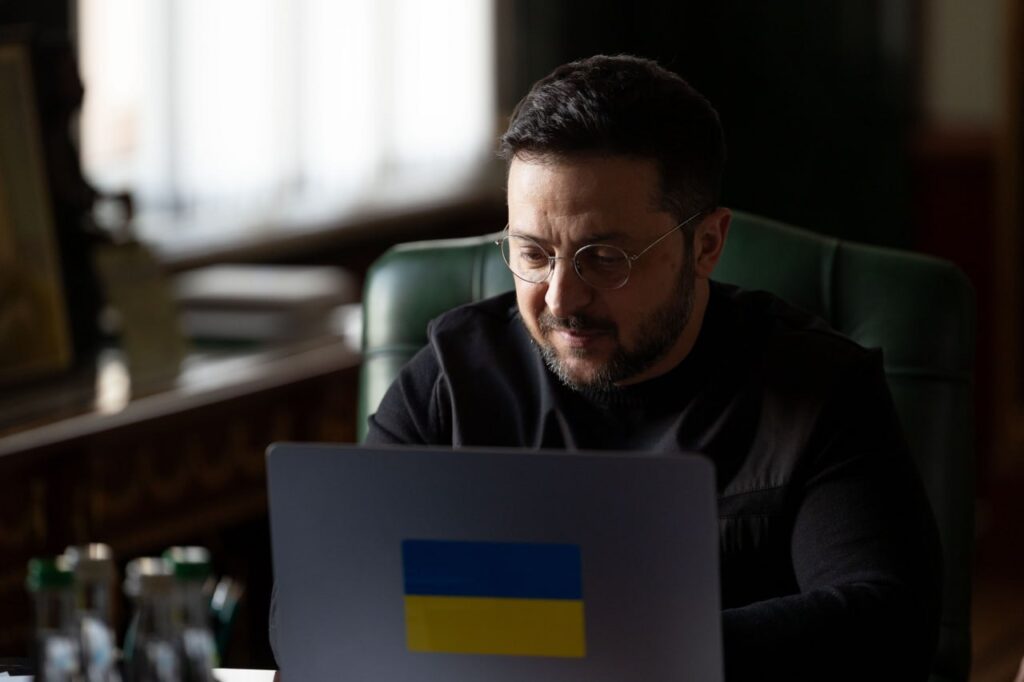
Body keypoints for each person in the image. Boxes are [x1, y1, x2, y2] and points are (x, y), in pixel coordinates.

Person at [366, 55, 941, 680]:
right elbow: (339, 593)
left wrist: (601, 648)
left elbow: (885, 623)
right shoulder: (451, 378)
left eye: (604, 258)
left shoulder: (819, 391)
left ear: (706, 245)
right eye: (533, 253)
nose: (560, 298)